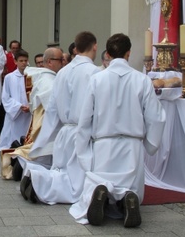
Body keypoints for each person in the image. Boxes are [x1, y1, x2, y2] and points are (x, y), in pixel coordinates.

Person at [69, 33, 166, 227]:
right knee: (130, 185)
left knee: (96, 182)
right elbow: (155, 117)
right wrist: (150, 144)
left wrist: (83, 150)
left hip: (104, 145)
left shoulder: (97, 79)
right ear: (128, 53)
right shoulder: (142, 80)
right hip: (132, 145)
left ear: (108, 54)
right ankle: (128, 197)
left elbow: (85, 118)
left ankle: (103, 191)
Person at [21, 31, 100, 205]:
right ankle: (39, 180)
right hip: (83, 132)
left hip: (64, 133)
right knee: (77, 185)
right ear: (94, 46)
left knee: (63, 172)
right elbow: (98, 108)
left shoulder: (62, 73)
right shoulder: (95, 73)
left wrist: (46, 136)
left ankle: (36, 178)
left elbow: (52, 110)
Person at [0, 49, 31, 151]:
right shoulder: (9, 77)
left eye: (25, 60)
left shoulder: (31, 77)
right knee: (12, 137)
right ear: (15, 62)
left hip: (28, 113)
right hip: (15, 113)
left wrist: (31, 106)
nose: (24, 63)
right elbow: (5, 97)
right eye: (21, 61)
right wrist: (18, 106)